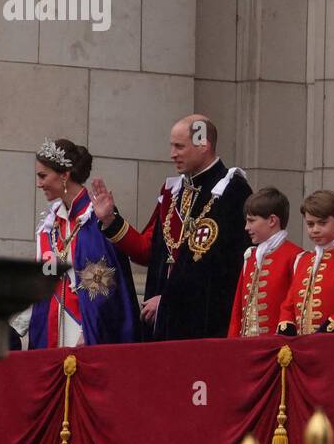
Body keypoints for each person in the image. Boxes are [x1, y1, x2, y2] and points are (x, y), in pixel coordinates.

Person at [91, 114, 252, 341]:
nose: (172, 154)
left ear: (203, 145)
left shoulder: (233, 192)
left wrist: (168, 301)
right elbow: (149, 250)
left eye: (179, 147)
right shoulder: (173, 192)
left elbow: (216, 270)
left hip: (204, 327)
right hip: (162, 324)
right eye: (172, 146)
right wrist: (110, 220)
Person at [26, 138, 140, 349]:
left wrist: (87, 332)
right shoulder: (50, 225)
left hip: (83, 332)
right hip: (53, 331)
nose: (39, 183)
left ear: (64, 175)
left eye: (43, 176)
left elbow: (102, 284)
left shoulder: (95, 217)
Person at [277, 190, 334, 334]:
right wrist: (287, 328)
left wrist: (322, 336)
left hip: (332, 343)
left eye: (322, 223)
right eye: (310, 224)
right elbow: (289, 303)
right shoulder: (303, 259)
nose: (315, 230)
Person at [227, 188, 303, 338]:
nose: (246, 227)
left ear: (272, 221)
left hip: (277, 346)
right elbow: (237, 310)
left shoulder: (295, 256)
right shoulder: (251, 256)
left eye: (251, 221)